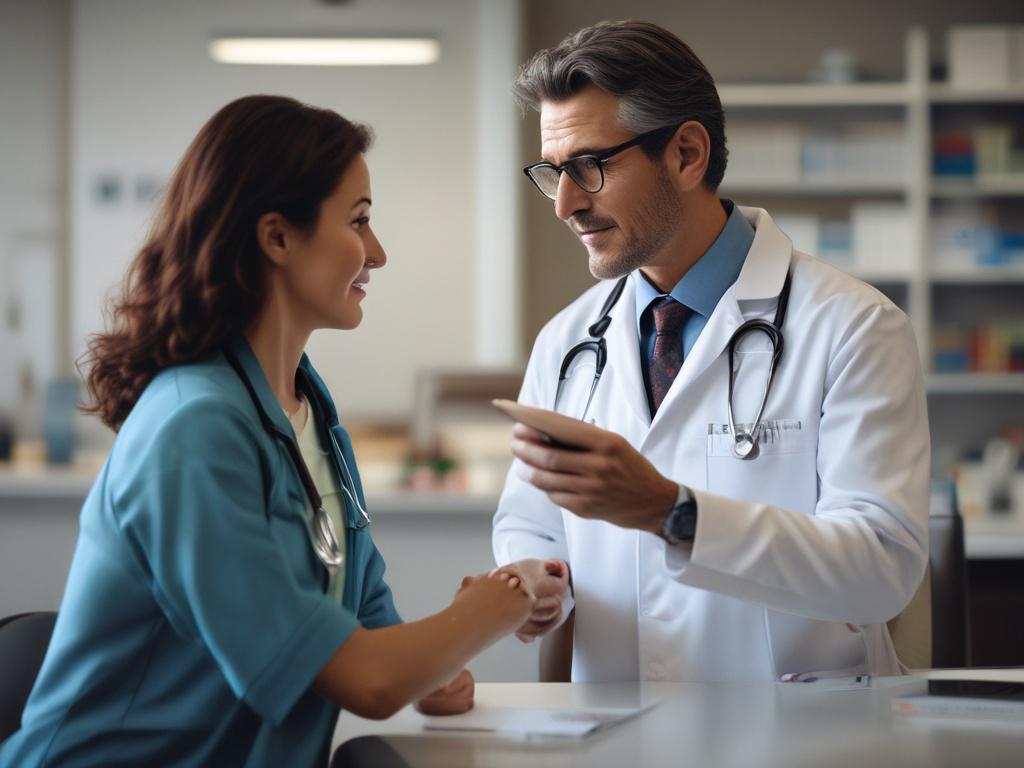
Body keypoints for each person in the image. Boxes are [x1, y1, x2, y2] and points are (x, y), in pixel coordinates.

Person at [0, 95, 533, 767]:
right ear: (277, 236)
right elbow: (364, 679)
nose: (378, 253)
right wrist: (488, 612)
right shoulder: (193, 430)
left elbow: (370, 626)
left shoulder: (307, 408)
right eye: (359, 222)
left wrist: (433, 666)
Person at [492, 21, 930, 683]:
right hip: (620, 733)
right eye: (554, 174)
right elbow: (530, 521)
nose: (566, 205)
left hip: (803, 738)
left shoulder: (854, 326)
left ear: (687, 155)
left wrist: (671, 512)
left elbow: (880, 569)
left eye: (588, 167)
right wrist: (533, 576)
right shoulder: (567, 342)